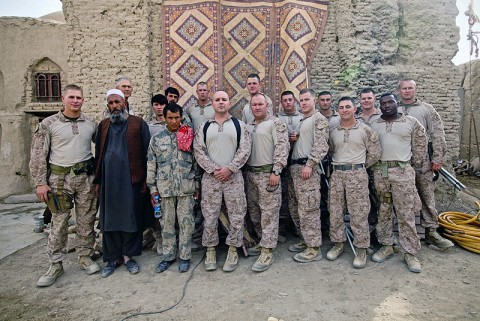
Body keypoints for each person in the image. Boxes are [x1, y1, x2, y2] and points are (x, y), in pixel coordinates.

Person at [30, 84, 99, 287]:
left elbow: (102, 147)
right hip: (60, 181)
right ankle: (55, 264)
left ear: (83, 100)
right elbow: (38, 155)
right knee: (59, 222)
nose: (75, 101)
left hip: (86, 177)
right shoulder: (48, 124)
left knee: (87, 220)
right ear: (63, 99)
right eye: (71, 97)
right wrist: (40, 182)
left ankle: (85, 256)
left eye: (79, 97)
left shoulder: (90, 123)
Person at [94, 89, 151, 278]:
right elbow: (98, 154)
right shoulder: (103, 126)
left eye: (117, 102)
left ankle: (128, 257)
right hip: (109, 182)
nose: (114, 106)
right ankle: (112, 258)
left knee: (130, 217)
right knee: (109, 219)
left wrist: (145, 180)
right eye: (110, 103)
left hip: (131, 180)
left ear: (124, 103)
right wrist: (98, 180)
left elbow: (147, 153)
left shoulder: (138, 123)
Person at [193, 90, 251, 272]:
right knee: (209, 215)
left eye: (224, 100)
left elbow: (245, 150)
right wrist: (213, 169)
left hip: (233, 178)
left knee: (236, 214)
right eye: (217, 100)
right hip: (211, 179)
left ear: (229, 102)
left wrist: (230, 168)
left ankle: (233, 249)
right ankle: (210, 249)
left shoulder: (239, 125)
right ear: (212, 103)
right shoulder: (204, 127)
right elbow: (198, 151)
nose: (220, 102)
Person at [370, 93, 426, 273]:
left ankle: (410, 252)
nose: (387, 106)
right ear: (379, 106)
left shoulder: (410, 123)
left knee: (405, 212)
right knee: (384, 210)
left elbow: (420, 145)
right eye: (383, 103)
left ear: (397, 103)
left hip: (403, 173)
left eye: (390, 102)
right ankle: (386, 245)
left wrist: (413, 166)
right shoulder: (374, 124)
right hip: (381, 173)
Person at [325, 96, 381, 269]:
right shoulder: (333, 131)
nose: (344, 110)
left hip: (357, 174)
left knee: (359, 213)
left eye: (348, 107)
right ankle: (338, 244)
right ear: (338, 110)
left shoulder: (365, 130)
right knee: (335, 211)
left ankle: (361, 248)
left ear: (355, 109)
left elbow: (375, 153)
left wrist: (360, 166)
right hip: (337, 175)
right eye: (341, 107)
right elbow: (331, 151)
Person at [398, 79, 454, 250]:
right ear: (399, 90)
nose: (407, 91)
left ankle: (431, 232)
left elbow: (437, 133)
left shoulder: (426, 110)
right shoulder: (394, 109)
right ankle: (400, 235)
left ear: (415, 90)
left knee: (426, 196)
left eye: (410, 88)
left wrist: (437, 158)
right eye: (404, 88)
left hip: (422, 162)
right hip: (401, 162)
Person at [147, 103, 197, 273]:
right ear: (165, 118)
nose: (174, 121)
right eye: (170, 118)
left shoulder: (188, 136)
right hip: (164, 189)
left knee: (186, 223)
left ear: (181, 117)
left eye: (177, 117)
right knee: (167, 224)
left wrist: (196, 185)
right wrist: (153, 189)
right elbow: (151, 164)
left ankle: (184, 257)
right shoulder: (157, 138)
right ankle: (168, 257)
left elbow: (196, 163)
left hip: (186, 188)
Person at [245, 93, 289, 272]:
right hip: (251, 175)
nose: (257, 107)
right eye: (254, 105)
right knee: (255, 213)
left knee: (269, 214)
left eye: (260, 104)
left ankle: (267, 250)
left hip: (268, 174)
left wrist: (277, 170)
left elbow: (282, 146)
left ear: (267, 105)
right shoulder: (248, 126)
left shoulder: (275, 123)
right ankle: (263, 240)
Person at [288, 88, 329, 263]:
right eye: (301, 100)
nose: (303, 103)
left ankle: (314, 248)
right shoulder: (302, 120)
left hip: (307, 169)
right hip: (295, 169)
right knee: (298, 208)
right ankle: (306, 240)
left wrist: (310, 164)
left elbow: (322, 145)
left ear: (314, 101)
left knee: (309, 209)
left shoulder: (319, 119)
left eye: (307, 100)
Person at [277, 91, 303, 234]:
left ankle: (298, 227)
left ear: (295, 101)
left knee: (298, 194)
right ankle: (284, 224)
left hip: (298, 160)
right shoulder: (277, 118)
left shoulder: (302, 117)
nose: (287, 102)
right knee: (283, 193)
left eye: (290, 100)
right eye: (284, 100)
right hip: (282, 160)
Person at [146, 93, 169, 256]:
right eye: (156, 104)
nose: (159, 107)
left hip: (171, 174)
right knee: (156, 208)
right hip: (155, 173)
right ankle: (158, 239)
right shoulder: (148, 126)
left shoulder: (174, 123)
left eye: (162, 104)